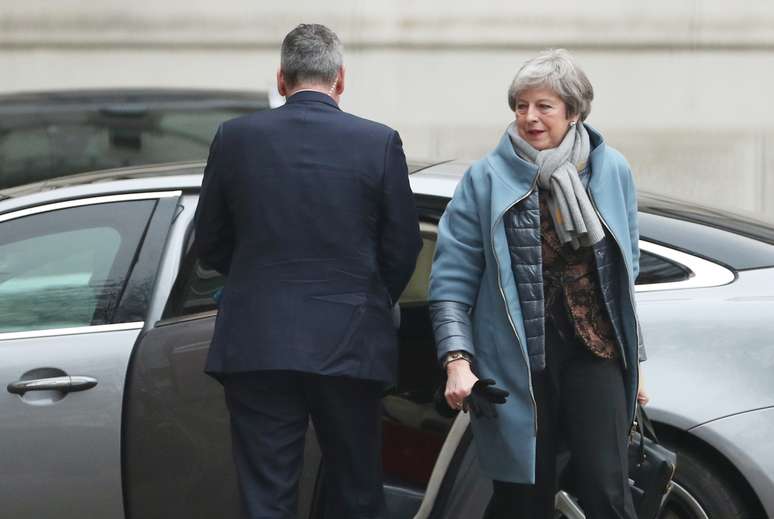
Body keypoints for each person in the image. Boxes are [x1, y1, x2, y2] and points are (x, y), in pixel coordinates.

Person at [195, 23, 422, 519]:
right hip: (350, 342)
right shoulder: (379, 142)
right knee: (357, 490)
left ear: (281, 79)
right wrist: (365, 297)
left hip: (257, 342)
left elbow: (208, 242)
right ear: (340, 79)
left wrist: (255, 280)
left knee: (266, 495)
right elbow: (403, 245)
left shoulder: (234, 138)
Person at [428, 49, 648, 519]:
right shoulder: (485, 179)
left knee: (608, 493)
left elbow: (624, 278)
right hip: (516, 364)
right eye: (521, 105)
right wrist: (457, 361)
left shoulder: (613, 171)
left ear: (573, 112)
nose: (529, 117)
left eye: (544, 106)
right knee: (521, 501)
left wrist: (637, 361)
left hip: (596, 354)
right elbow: (451, 282)